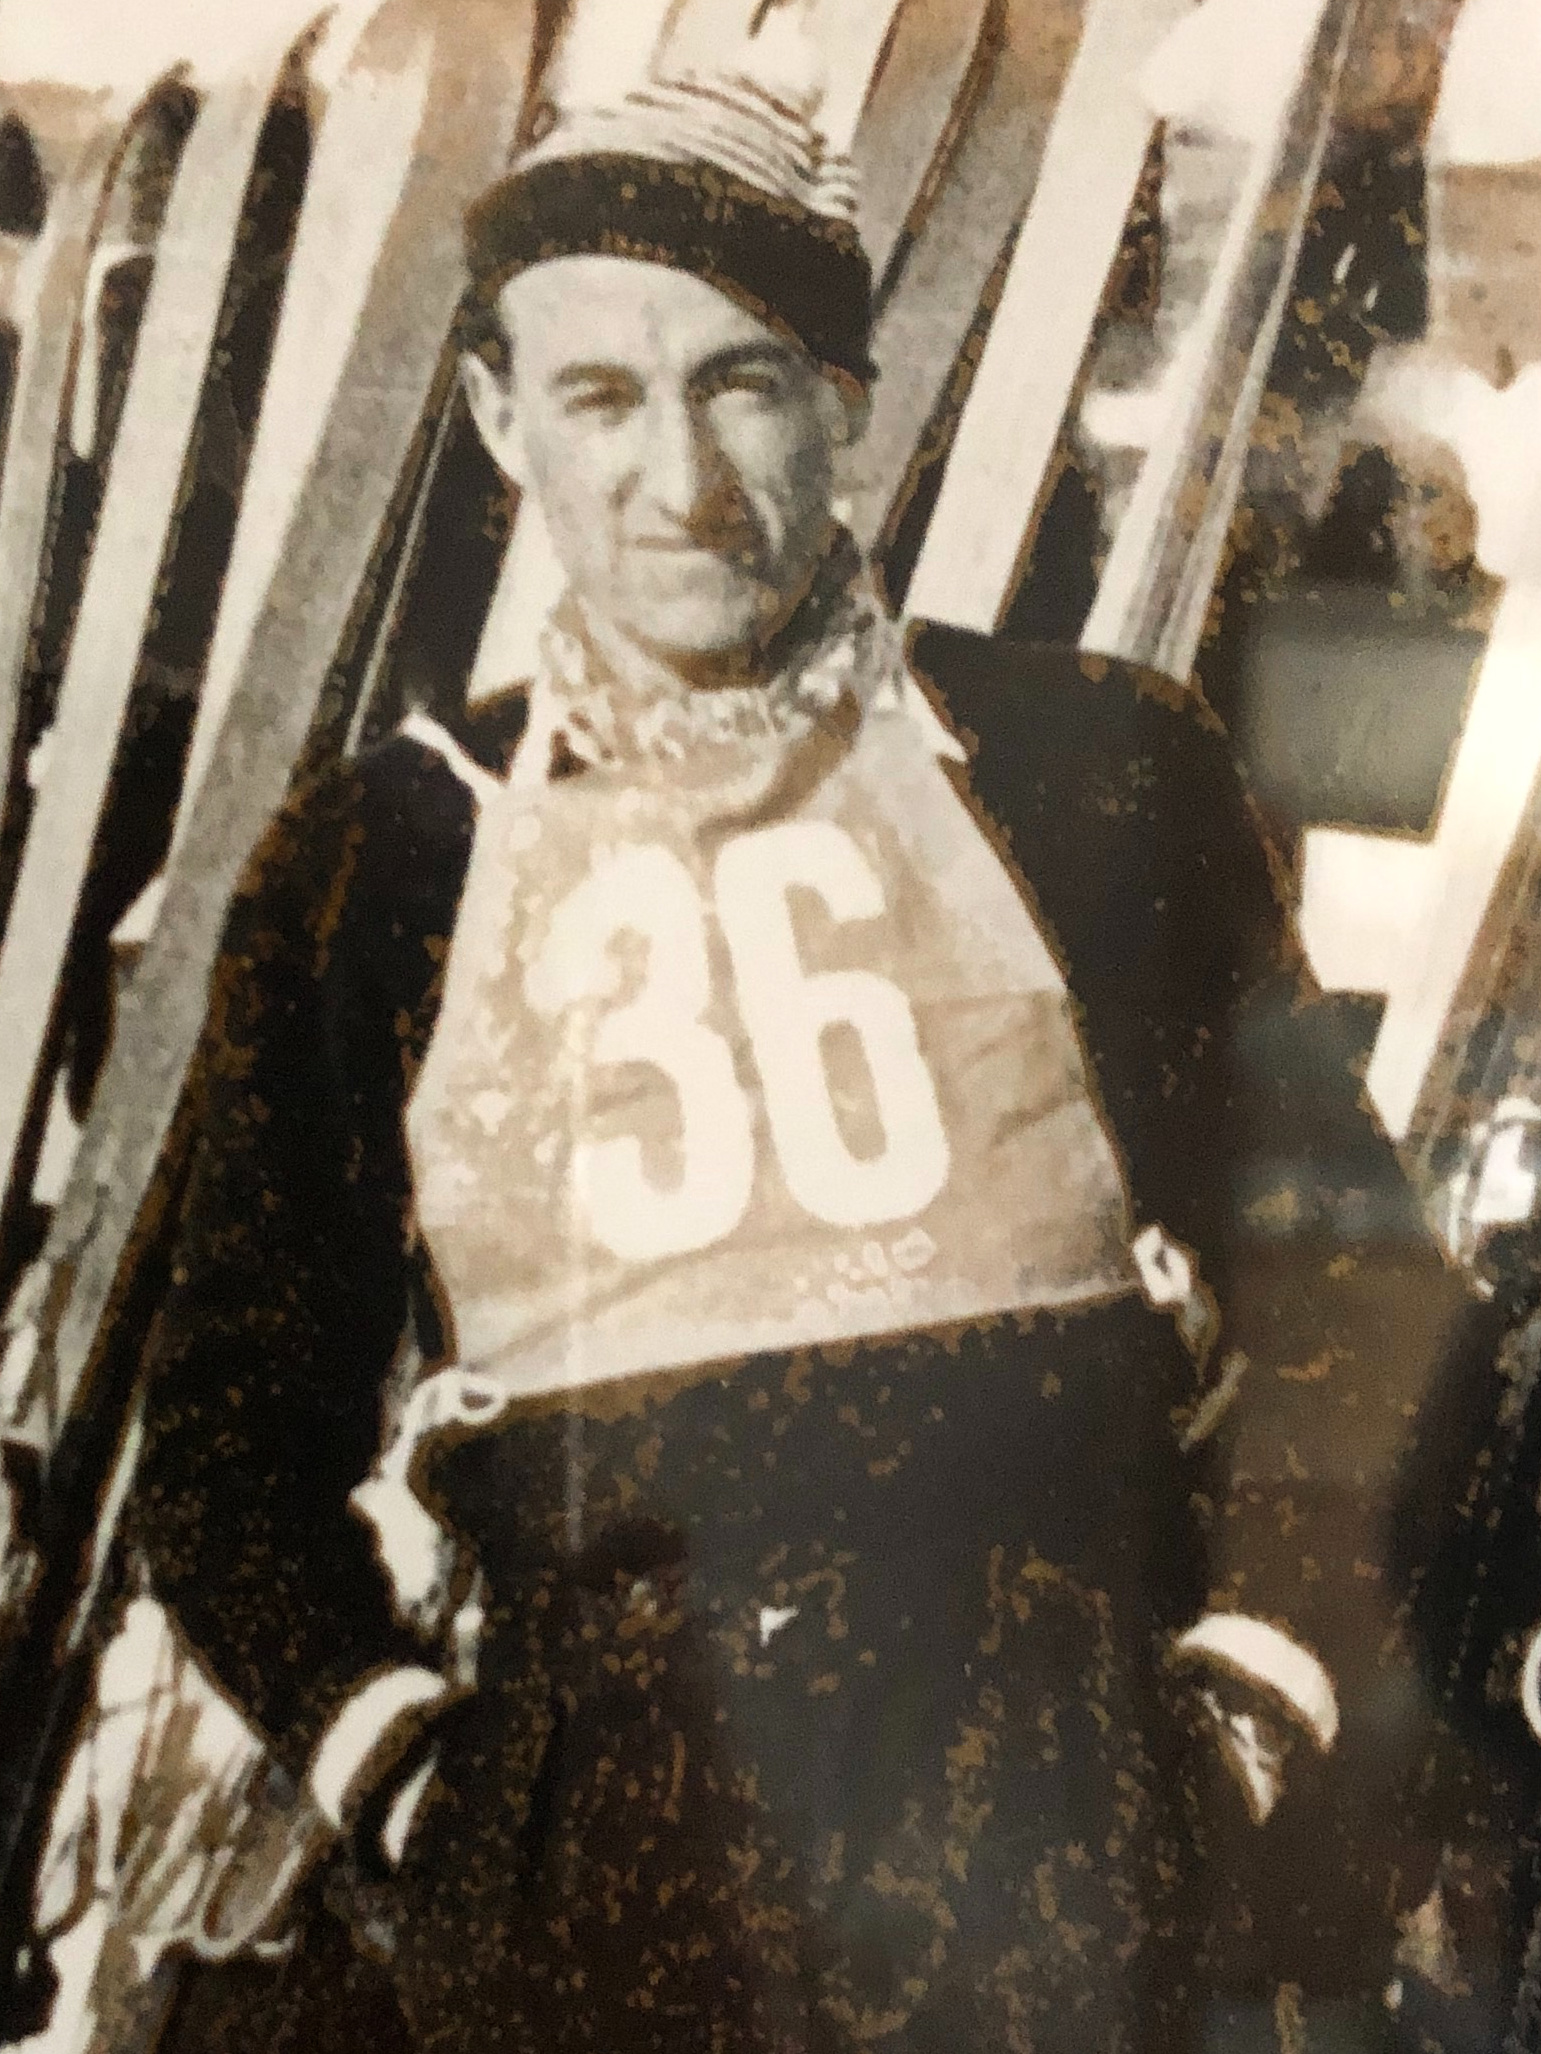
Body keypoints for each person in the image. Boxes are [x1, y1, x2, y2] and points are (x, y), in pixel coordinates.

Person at [125, 22, 1506, 2051]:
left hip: (1046, 1838)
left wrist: (1233, 1714)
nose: (675, 482)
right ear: (499, 415)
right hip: (604, 1882)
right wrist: (420, 1782)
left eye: (740, 382)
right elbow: (225, 1448)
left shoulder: (1086, 771)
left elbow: (1365, 1308)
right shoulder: (384, 859)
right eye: (599, 395)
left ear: (845, 397)